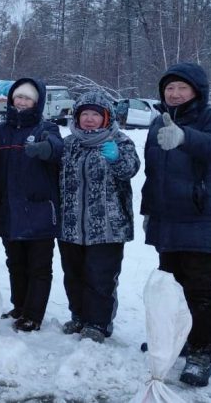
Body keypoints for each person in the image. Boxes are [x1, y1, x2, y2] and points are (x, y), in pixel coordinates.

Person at [141, 62, 211, 387]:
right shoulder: (156, 124)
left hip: (201, 217)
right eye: (169, 88)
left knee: (201, 289)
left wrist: (184, 137)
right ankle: (176, 340)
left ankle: (201, 352)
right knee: (171, 287)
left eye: (182, 88)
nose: (175, 93)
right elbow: (153, 173)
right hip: (167, 219)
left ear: (197, 90)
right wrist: (148, 211)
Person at [58, 91, 140, 343]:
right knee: (73, 275)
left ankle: (99, 323)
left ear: (106, 117)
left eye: (96, 114)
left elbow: (131, 169)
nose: (90, 119)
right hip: (71, 226)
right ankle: (79, 316)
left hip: (108, 227)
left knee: (101, 277)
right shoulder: (69, 143)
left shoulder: (120, 141)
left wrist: (116, 159)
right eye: (85, 114)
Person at [0, 78, 63, 332]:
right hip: (9, 210)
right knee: (15, 262)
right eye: (18, 97)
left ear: (37, 102)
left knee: (39, 266)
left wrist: (46, 149)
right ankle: (19, 306)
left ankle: (33, 315)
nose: (21, 102)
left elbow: (57, 148)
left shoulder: (47, 128)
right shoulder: (0, 130)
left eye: (27, 98)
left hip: (40, 210)